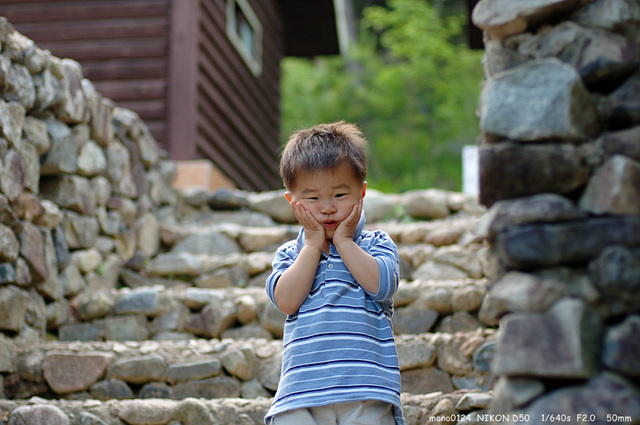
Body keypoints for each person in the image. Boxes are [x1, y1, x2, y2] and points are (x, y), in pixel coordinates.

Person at [265, 121, 405, 425]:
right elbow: (287, 301)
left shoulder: (375, 244)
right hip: (300, 394)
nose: (327, 208)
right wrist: (313, 245)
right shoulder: (290, 254)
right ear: (292, 201)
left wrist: (343, 241)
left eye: (340, 195)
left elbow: (382, 286)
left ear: (362, 193)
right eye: (313, 198)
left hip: (366, 388)